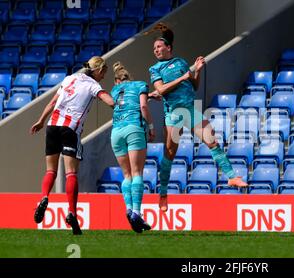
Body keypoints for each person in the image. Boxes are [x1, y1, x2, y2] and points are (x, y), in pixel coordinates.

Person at [147, 23, 247, 211]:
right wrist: (181, 79)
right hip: (175, 114)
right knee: (170, 153)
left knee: (212, 140)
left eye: (159, 47)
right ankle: (163, 194)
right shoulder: (155, 69)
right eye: (154, 49)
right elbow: (160, 89)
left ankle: (231, 176)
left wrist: (197, 70)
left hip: (191, 109)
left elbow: (194, 86)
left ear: (168, 47)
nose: (156, 50)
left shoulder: (182, 63)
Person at [30, 56, 114, 235]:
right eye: (104, 72)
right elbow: (110, 101)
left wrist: (40, 121)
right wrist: (122, 103)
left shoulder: (70, 78)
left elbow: (53, 102)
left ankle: (44, 197)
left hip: (53, 125)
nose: (104, 76)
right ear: (98, 70)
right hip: (70, 129)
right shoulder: (93, 85)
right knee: (71, 173)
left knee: (50, 171)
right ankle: (72, 212)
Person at [110, 62, 155, 233]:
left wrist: (149, 95)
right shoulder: (140, 85)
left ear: (116, 81)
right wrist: (151, 127)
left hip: (116, 133)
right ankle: (137, 212)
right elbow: (143, 106)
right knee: (137, 173)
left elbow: (124, 102)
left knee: (126, 174)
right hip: (133, 128)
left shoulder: (115, 91)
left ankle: (129, 209)